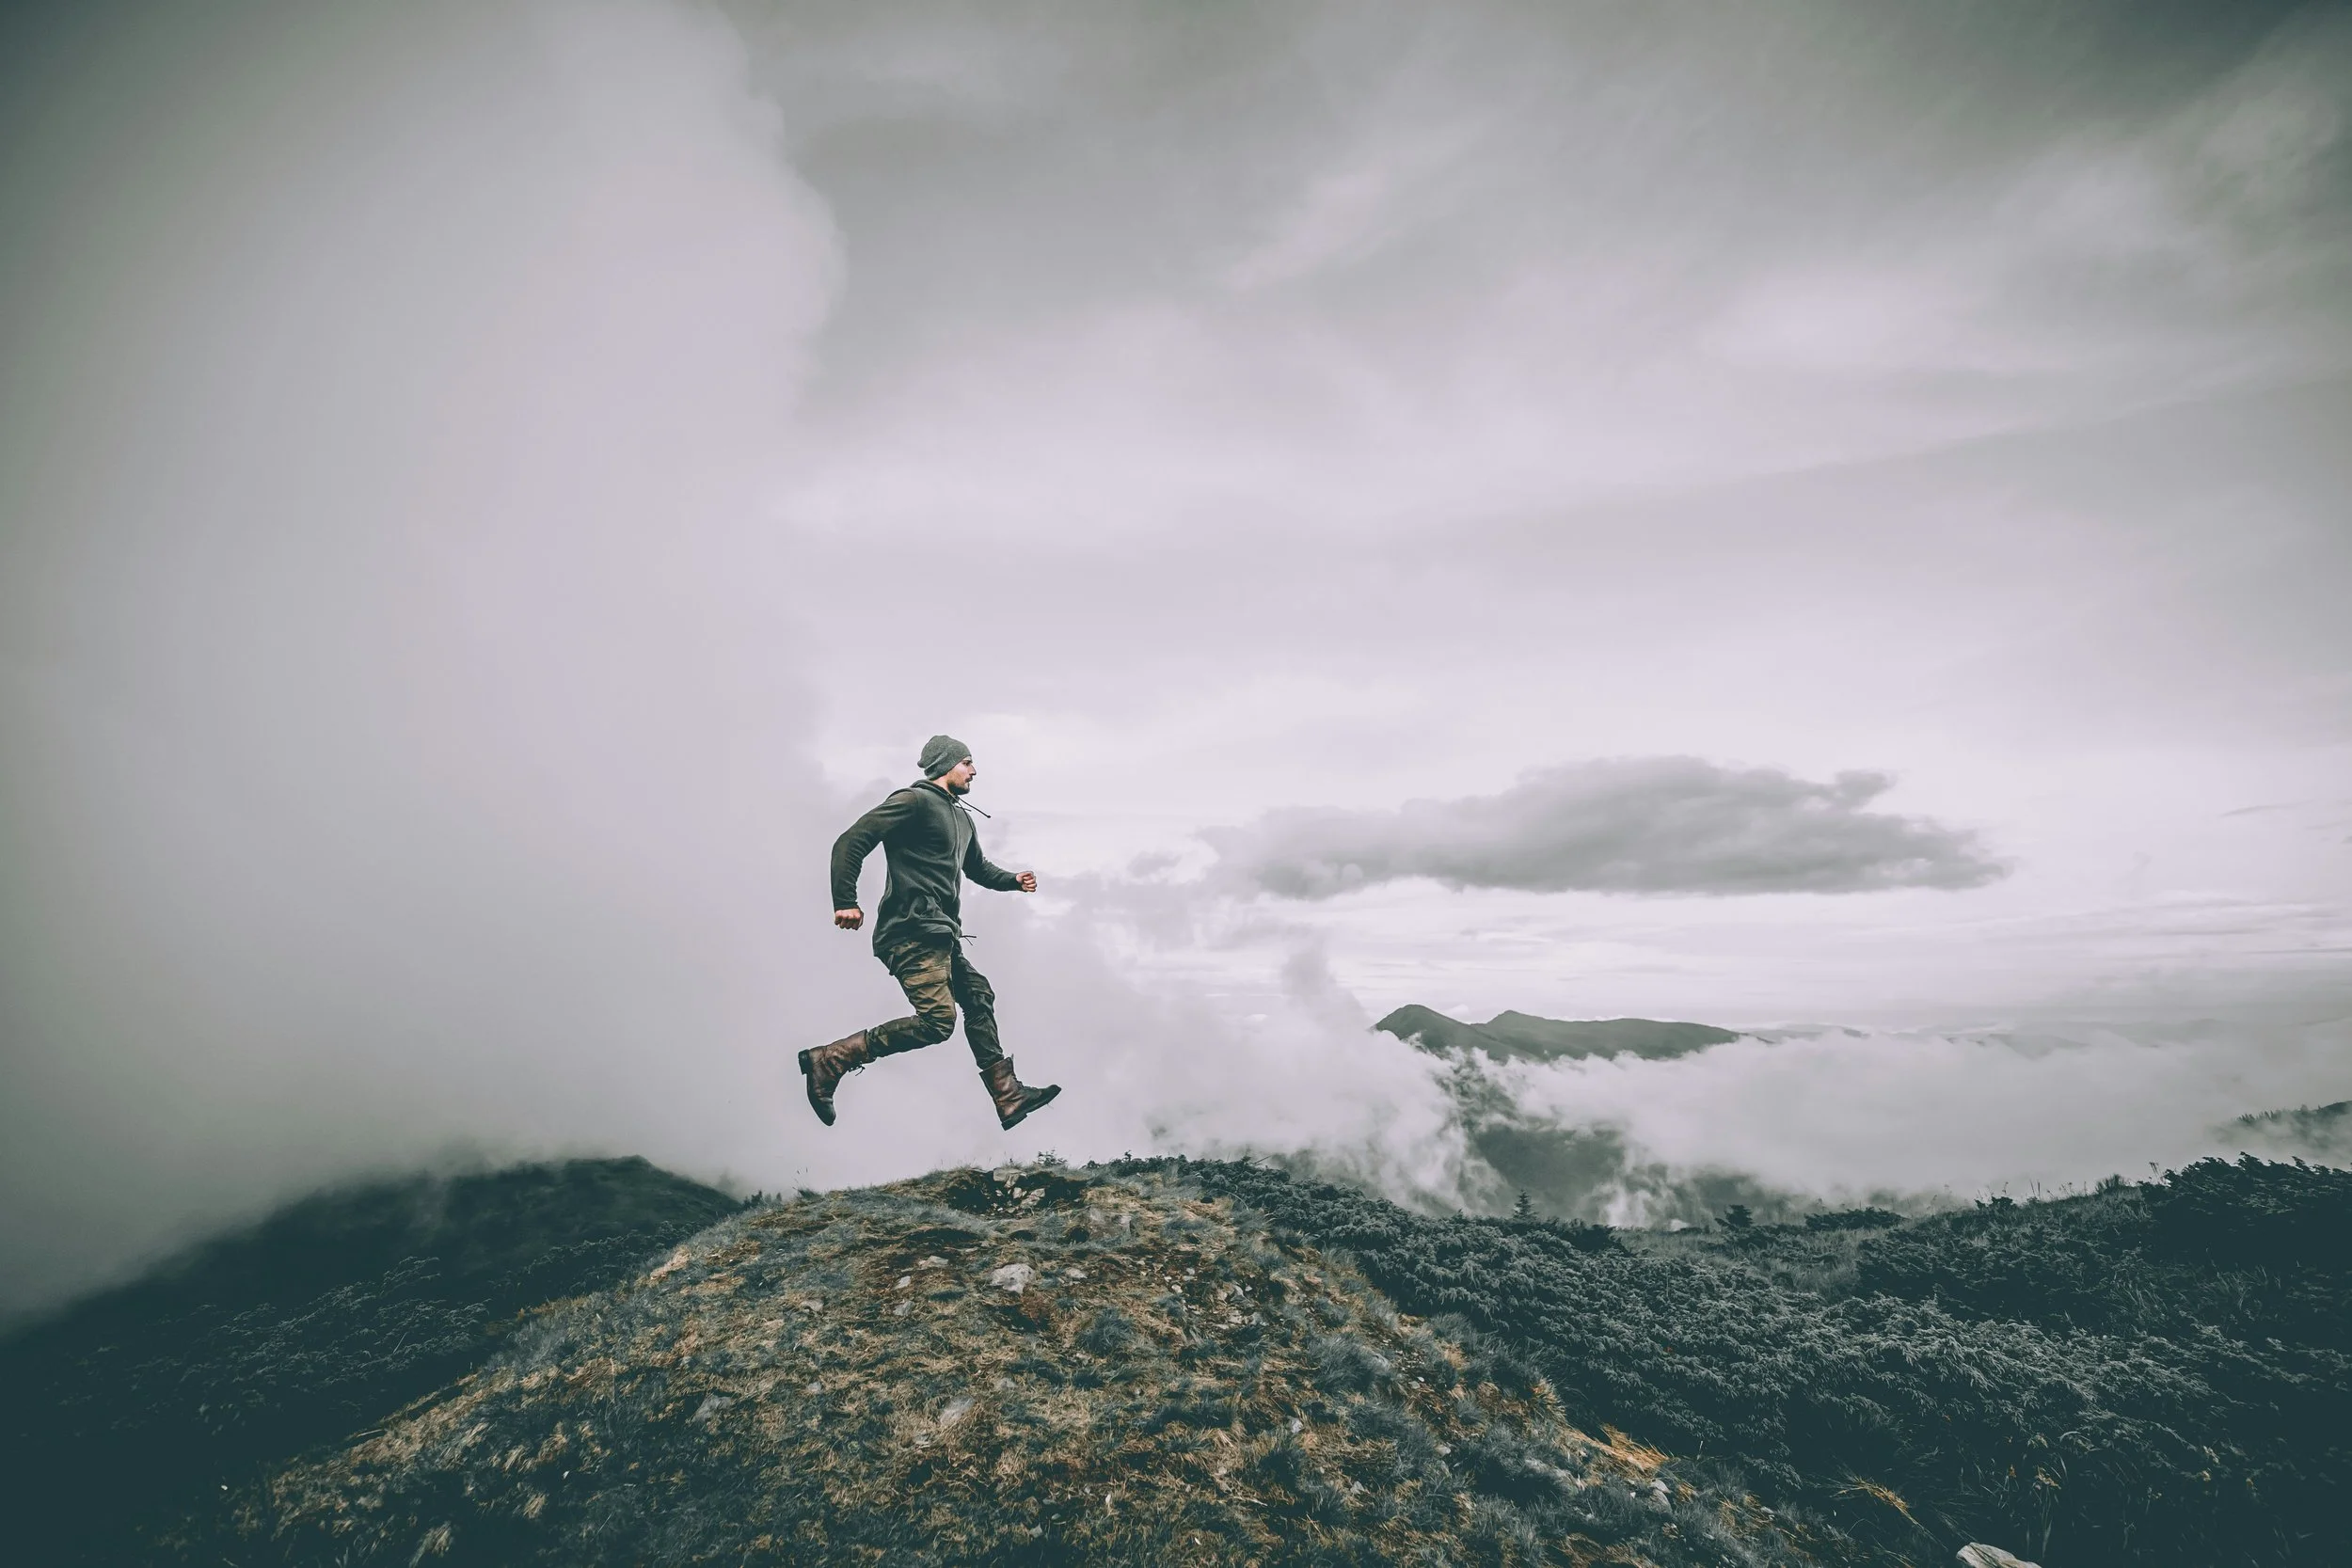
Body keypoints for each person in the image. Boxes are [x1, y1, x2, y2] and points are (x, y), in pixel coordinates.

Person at [800, 735, 1062, 1131]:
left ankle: (1008, 1097)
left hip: (940, 935)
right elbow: (851, 841)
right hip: (909, 930)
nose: (974, 771)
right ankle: (831, 1058)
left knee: (978, 996)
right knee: (938, 1022)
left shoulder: (962, 818)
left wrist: (1013, 880)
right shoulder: (914, 801)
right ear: (946, 764)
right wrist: (845, 900)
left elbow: (977, 868)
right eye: (968, 763)